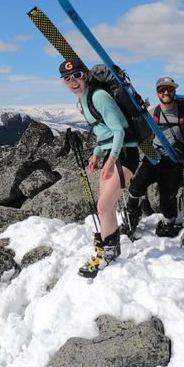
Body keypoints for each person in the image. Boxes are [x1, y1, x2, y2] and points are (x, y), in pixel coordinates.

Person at [59, 58, 140, 277]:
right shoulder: (84, 100)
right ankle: (110, 251)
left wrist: (111, 160)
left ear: (84, 75)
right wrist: (97, 154)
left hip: (124, 154)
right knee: (106, 207)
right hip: (112, 153)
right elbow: (103, 132)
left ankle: (108, 254)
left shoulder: (99, 96)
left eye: (76, 75)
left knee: (104, 207)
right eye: (67, 78)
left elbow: (119, 131)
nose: (73, 81)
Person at [127, 76, 184, 237]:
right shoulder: (153, 112)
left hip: (173, 161)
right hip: (153, 156)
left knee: (167, 200)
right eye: (162, 90)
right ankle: (132, 215)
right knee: (135, 187)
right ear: (157, 93)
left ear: (174, 91)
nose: (166, 92)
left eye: (169, 89)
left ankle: (169, 223)